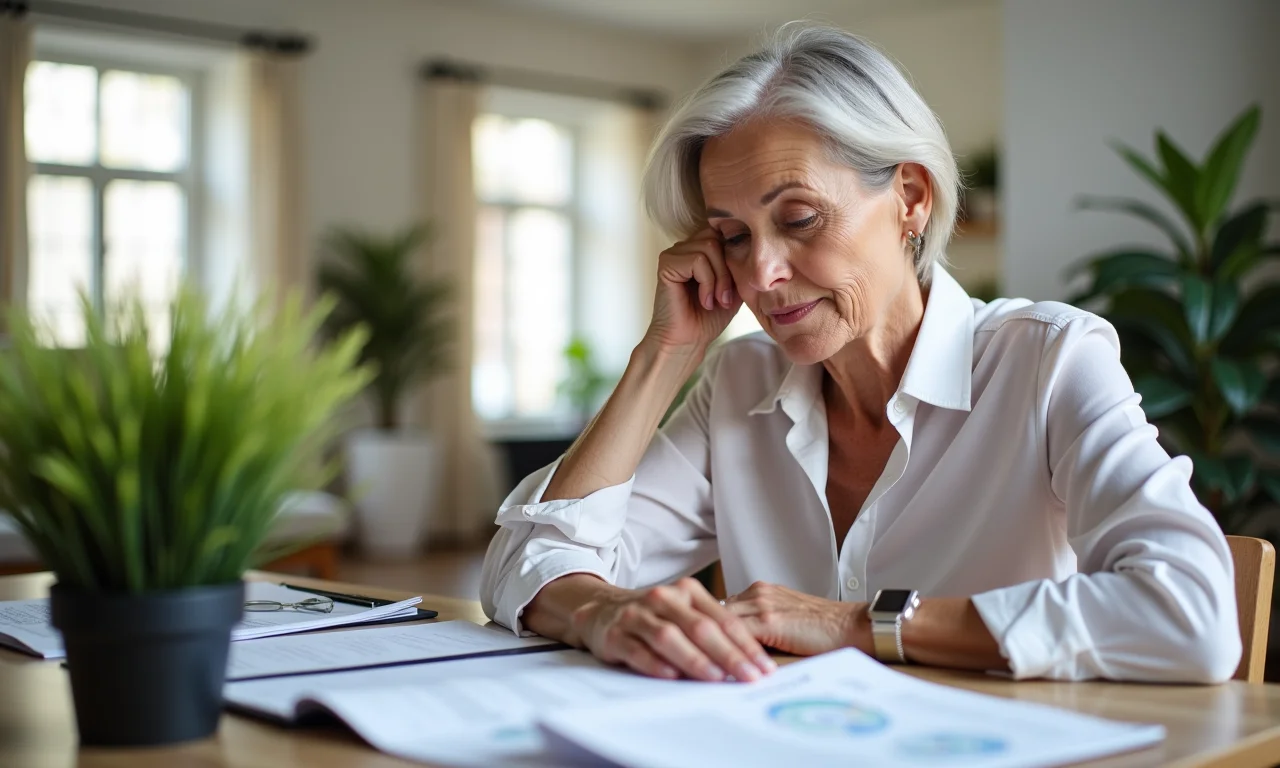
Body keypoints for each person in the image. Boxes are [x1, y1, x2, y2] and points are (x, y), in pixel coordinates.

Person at [479, 23, 1240, 685]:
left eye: (800, 218)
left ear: (911, 197)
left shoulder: (1048, 361)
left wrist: (854, 625)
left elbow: (1193, 612)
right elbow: (523, 567)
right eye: (734, 236)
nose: (761, 275)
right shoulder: (739, 383)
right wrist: (664, 354)